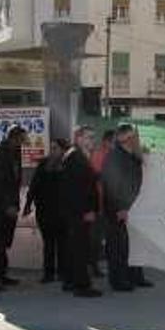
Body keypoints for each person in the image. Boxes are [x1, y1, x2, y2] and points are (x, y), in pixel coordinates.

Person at [102, 124, 151, 291]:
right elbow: (112, 185)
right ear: (126, 139)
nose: (137, 139)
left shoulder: (132, 156)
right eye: (134, 136)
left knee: (134, 245)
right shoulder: (115, 156)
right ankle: (118, 280)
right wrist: (120, 208)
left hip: (133, 208)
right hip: (119, 210)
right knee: (118, 247)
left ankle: (135, 277)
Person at [59, 125, 101, 297]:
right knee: (80, 248)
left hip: (76, 211)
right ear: (79, 139)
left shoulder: (79, 157)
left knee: (74, 247)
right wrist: (87, 210)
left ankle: (70, 281)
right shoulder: (76, 158)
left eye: (93, 137)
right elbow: (76, 190)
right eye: (89, 137)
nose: (92, 141)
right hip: (78, 212)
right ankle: (81, 285)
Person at [23, 139, 70, 283]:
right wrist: (28, 205)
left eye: (55, 148)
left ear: (63, 150)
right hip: (45, 211)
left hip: (62, 211)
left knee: (63, 244)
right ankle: (48, 273)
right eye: (51, 148)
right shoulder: (43, 164)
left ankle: (62, 272)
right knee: (48, 244)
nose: (52, 151)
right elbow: (34, 185)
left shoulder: (68, 164)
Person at [0, 125, 28, 290]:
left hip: (10, 204)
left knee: (4, 241)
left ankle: (2, 274)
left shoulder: (15, 152)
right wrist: (7, 205)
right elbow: (0, 184)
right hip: (0, 206)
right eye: (22, 138)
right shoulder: (0, 154)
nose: (24, 142)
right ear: (14, 138)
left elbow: (15, 181)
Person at [88, 129, 116, 279]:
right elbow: (96, 175)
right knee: (96, 237)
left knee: (102, 236)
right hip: (99, 202)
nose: (115, 144)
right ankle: (92, 265)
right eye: (113, 141)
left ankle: (96, 264)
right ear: (106, 141)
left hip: (107, 202)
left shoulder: (111, 155)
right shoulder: (99, 155)